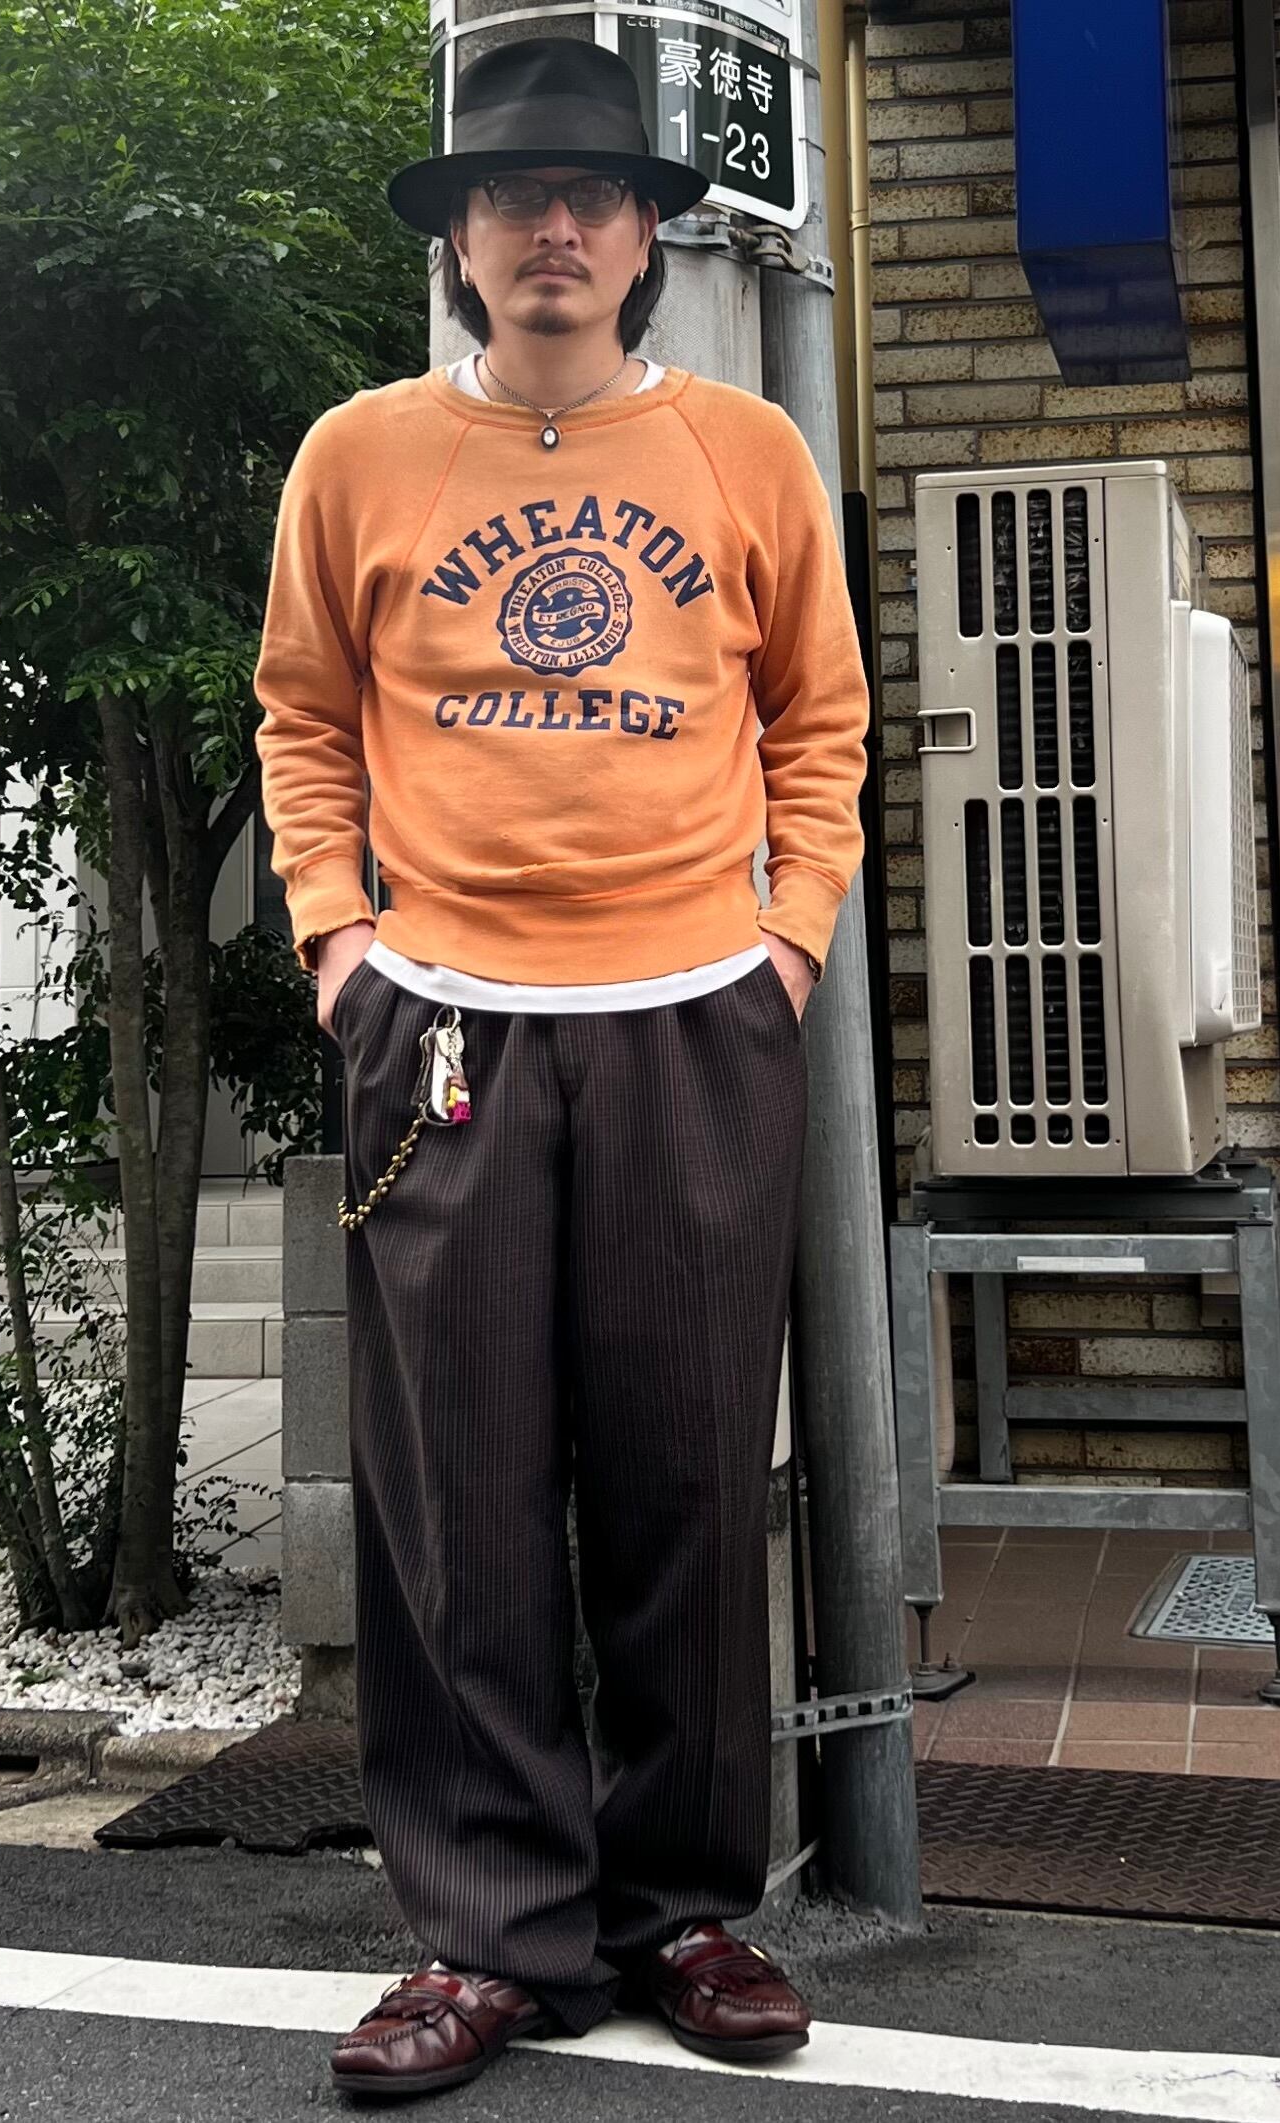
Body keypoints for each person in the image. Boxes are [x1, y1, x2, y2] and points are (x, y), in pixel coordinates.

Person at [253, 35, 868, 2104]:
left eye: (594, 195)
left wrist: (789, 943)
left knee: (689, 1473)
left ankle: (679, 1906)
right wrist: (338, 946)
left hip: (696, 1014)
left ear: (646, 232)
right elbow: (302, 716)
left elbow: (822, 719)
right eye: (513, 197)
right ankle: (487, 1929)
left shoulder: (747, 453)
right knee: (462, 1489)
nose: (553, 230)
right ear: (460, 236)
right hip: (438, 1025)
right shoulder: (358, 458)